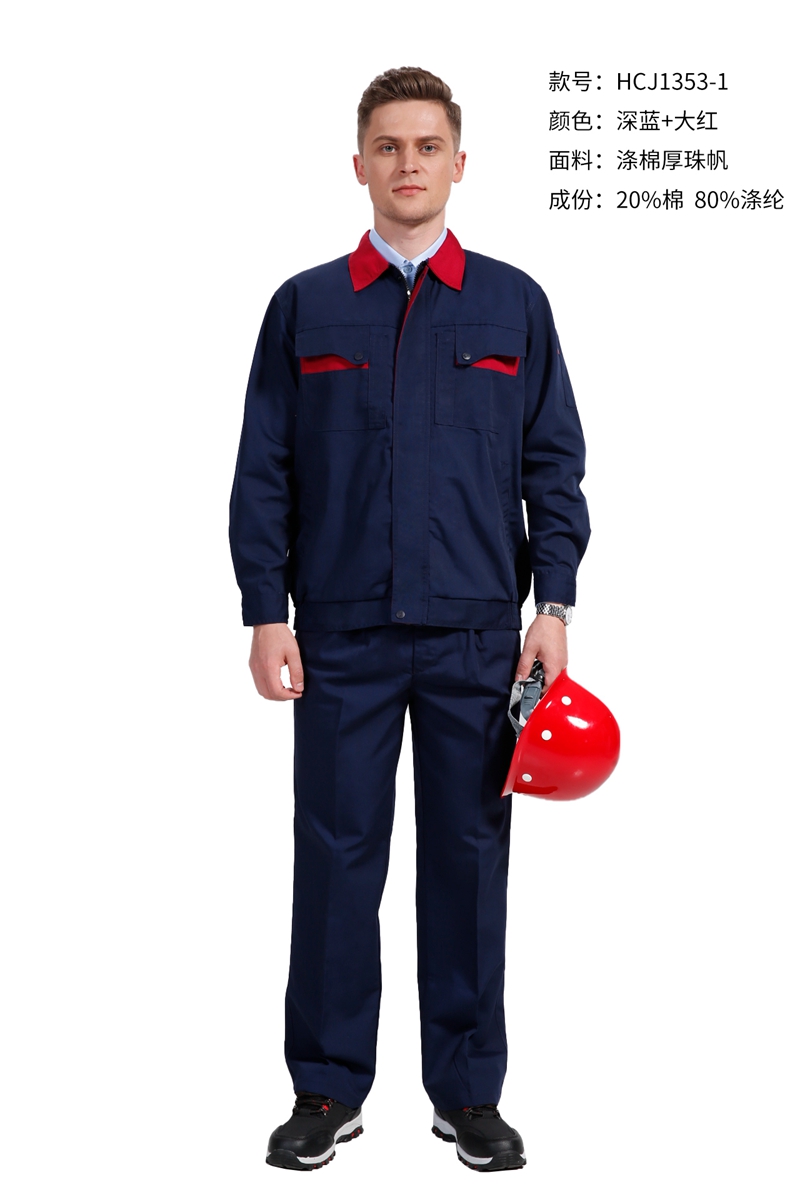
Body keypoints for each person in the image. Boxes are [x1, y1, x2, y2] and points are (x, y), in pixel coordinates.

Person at [229, 66, 590, 1173]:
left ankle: (468, 1094)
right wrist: (265, 611)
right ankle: (325, 1088)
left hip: (479, 634)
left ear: (458, 163)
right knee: (335, 860)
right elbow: (264, 469)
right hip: (339, 633)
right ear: (359, 164)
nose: (407, 164)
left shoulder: (512, 303)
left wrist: (553, 602)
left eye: (427, 146)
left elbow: (553, 464)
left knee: (468, 861)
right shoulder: (305, 305)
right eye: (388, 146)